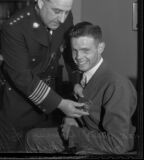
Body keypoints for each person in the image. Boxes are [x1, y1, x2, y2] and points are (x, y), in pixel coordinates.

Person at [0, 0, 88, 152]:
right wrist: (60, 103)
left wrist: (76, 80)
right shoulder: (14, 28)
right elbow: (22, 78)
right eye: (57, 11)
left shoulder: (66, 17)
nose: (62, 19)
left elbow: (68, 52)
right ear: (42, 1)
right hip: (18, 106)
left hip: (48, 105)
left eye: (67, 12)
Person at [25, 21, 137, 154]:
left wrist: (73, 132)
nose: (78, 57)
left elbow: (118, 144)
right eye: (75, 50)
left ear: (100, 48)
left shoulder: (116, 86)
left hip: (102, 146)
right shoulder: (86, 75)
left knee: (32, 139)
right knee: (32, 137)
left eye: (85, 50)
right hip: (86, 132)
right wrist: (72, 118)